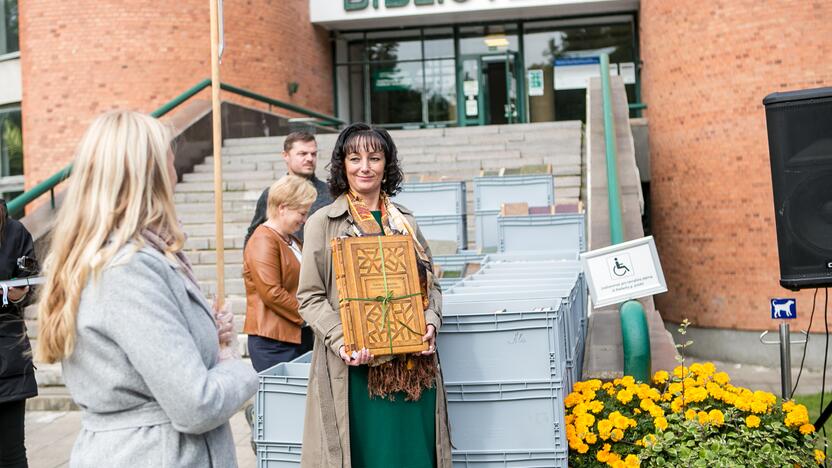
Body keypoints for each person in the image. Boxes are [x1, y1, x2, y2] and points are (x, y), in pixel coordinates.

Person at [36, 110, 257, 468]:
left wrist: (206, 335)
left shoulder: (131, 257)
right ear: (150, 174)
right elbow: (195, 404)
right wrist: (237, 367)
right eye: (170, 159)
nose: (175, 170)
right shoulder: (126, 269)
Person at [297, 123, 452, 468]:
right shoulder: (323, 222)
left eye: (374, 157)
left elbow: (434, 285)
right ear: (343, 165)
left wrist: (430, 321)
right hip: (357, 374)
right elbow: (309, 296)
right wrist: (343, 340)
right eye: (355, 158)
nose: (364, 166)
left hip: (414, 371)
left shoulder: (405, 221)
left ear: (387, 165)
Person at [243, 174, 316, 372]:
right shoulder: (263, 240)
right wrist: (311, 313)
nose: (304, 219)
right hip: (273, 343)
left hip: (296, 336)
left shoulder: (290, 239)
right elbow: (272, 293)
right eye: (302, 213)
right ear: (282, 208)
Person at [244, 131, 332, 244]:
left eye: (313, 154)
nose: (310, 158)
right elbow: (253, 235)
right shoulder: (271, 194)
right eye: (303, 153)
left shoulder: (330, 193)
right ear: (286, 155)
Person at [0, 200, 37, 468]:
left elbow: (31, 279)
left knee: (11, 454)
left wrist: (19, 294)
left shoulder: (15, 232)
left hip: (8, 358)